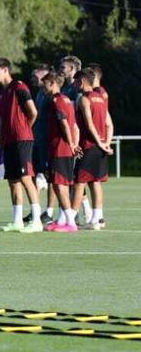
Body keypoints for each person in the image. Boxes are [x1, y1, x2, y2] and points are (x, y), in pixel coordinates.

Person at [0, 58, 43, 233]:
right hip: (9, 142)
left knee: (26, 179)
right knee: (13, 181)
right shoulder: (2, 94)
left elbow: (33, 111)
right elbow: (3, 123)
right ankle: (17, 221)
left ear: (6, 70)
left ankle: (36, 221)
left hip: (22, 140)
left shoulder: (19, 86)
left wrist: (25, 128)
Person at [74, 67, 113, 230]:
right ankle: (97, 219)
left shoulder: (85, 98)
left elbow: (89, 125)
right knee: (95, 182)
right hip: (100, 146)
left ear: (82, 82)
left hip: (89, 146)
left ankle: (68, 219)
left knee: (78, 182)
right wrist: (106, 143)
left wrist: (98, 142)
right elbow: (109, 124)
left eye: (76, 82)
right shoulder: (101, 98)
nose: (75, 85)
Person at [41, 72, 80, 232]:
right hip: (63, 148)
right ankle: (63, 220)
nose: (42, 87)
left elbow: (64, 124)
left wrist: (70, 144)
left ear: (52, 83)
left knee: (60, 185)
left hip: (60, 149)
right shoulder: (67, 100)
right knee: (58, 185)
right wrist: (75, 144)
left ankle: (70, 223)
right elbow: (75, 126)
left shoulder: (57, 101)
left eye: (45, 84)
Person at [30, 64, 54, 215]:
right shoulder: (39, 93)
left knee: (51, 176)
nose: (32, 79)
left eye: (36, 76)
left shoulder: (52, 95)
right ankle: (36, 210)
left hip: (48, 141)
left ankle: (49, 211)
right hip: (37, 139)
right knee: (37, 174)